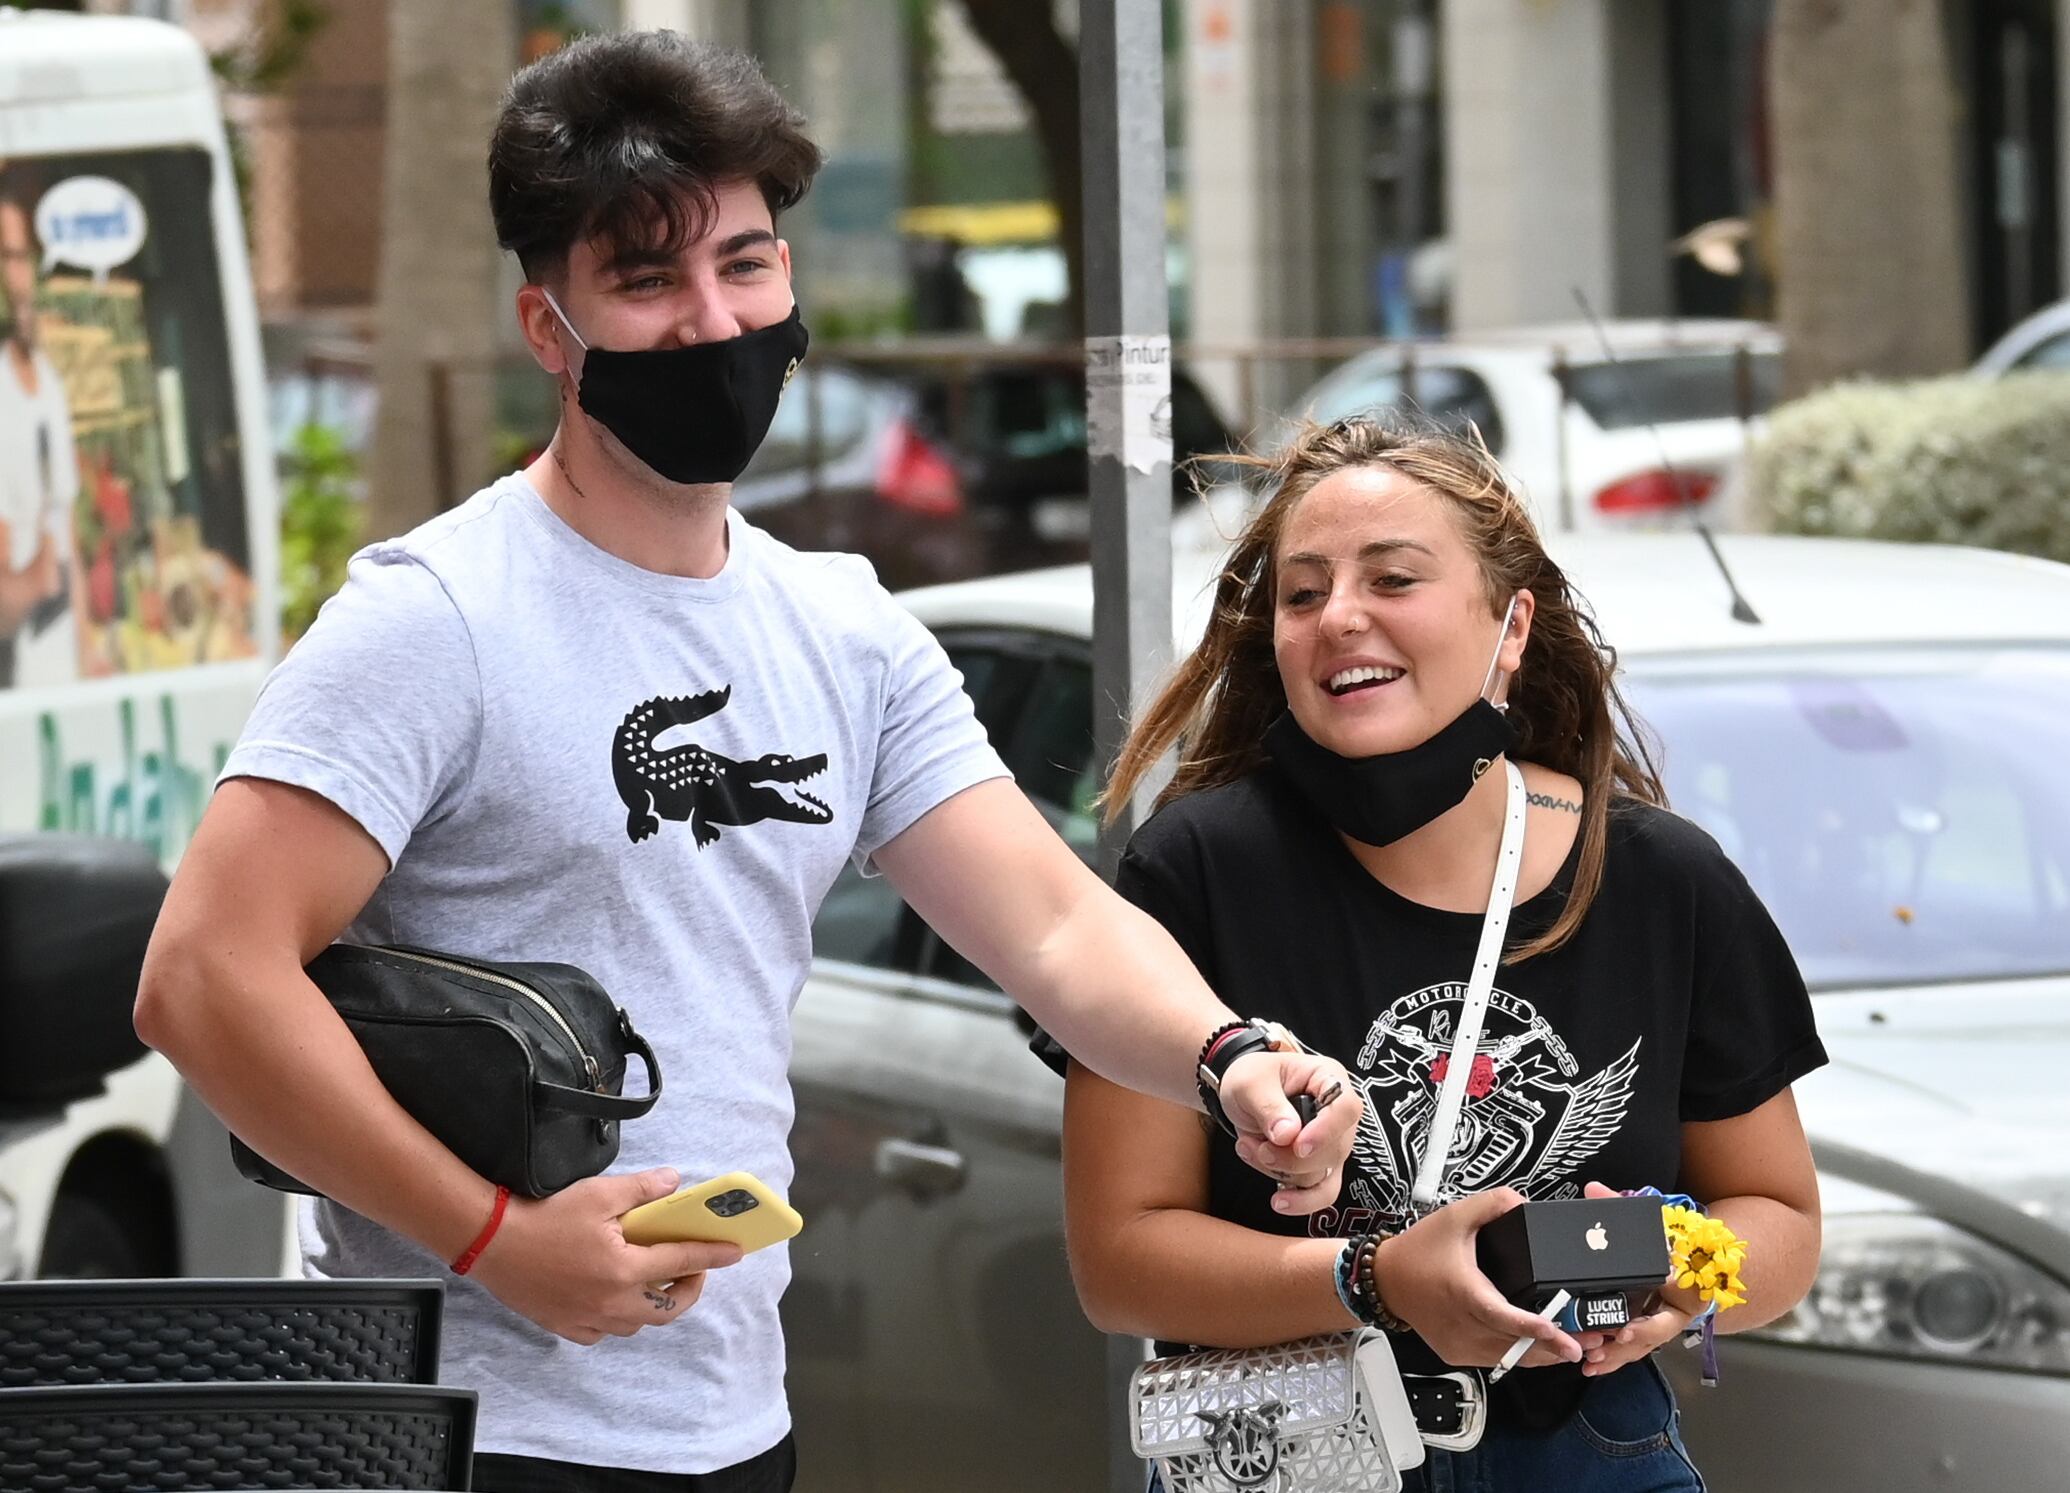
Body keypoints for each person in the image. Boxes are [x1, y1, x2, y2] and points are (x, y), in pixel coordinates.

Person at [132, 31, 1359, 1493]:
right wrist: (496, 1243)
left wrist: (1230, 1055)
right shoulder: (437, 616)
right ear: (548, 327)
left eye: (746, 265)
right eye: (645, 283)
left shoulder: (839, 627)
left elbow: (1054, 923)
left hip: (729, 1418)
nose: (711, 321)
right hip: (450, 1425)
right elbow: (203, 978)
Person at [1057, 418, 1826, 1489]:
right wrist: (1374, 1275)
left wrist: (1688, 1275)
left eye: (1394, 578)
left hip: (1587, 1447)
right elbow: (1118, 1262)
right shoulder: (1197, 869)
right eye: (1303, 591)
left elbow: (1780, 1220)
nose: (1342, 617)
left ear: (1512, 625)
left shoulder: (1661, 878)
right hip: (1288, 1452)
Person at [0, 176, 82, 689]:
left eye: (19, 256)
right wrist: (42, 580)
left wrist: (90, 654)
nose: (17, 276)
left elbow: (66, 518)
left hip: (62, 666)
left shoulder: (44, 376)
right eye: (7, 258)